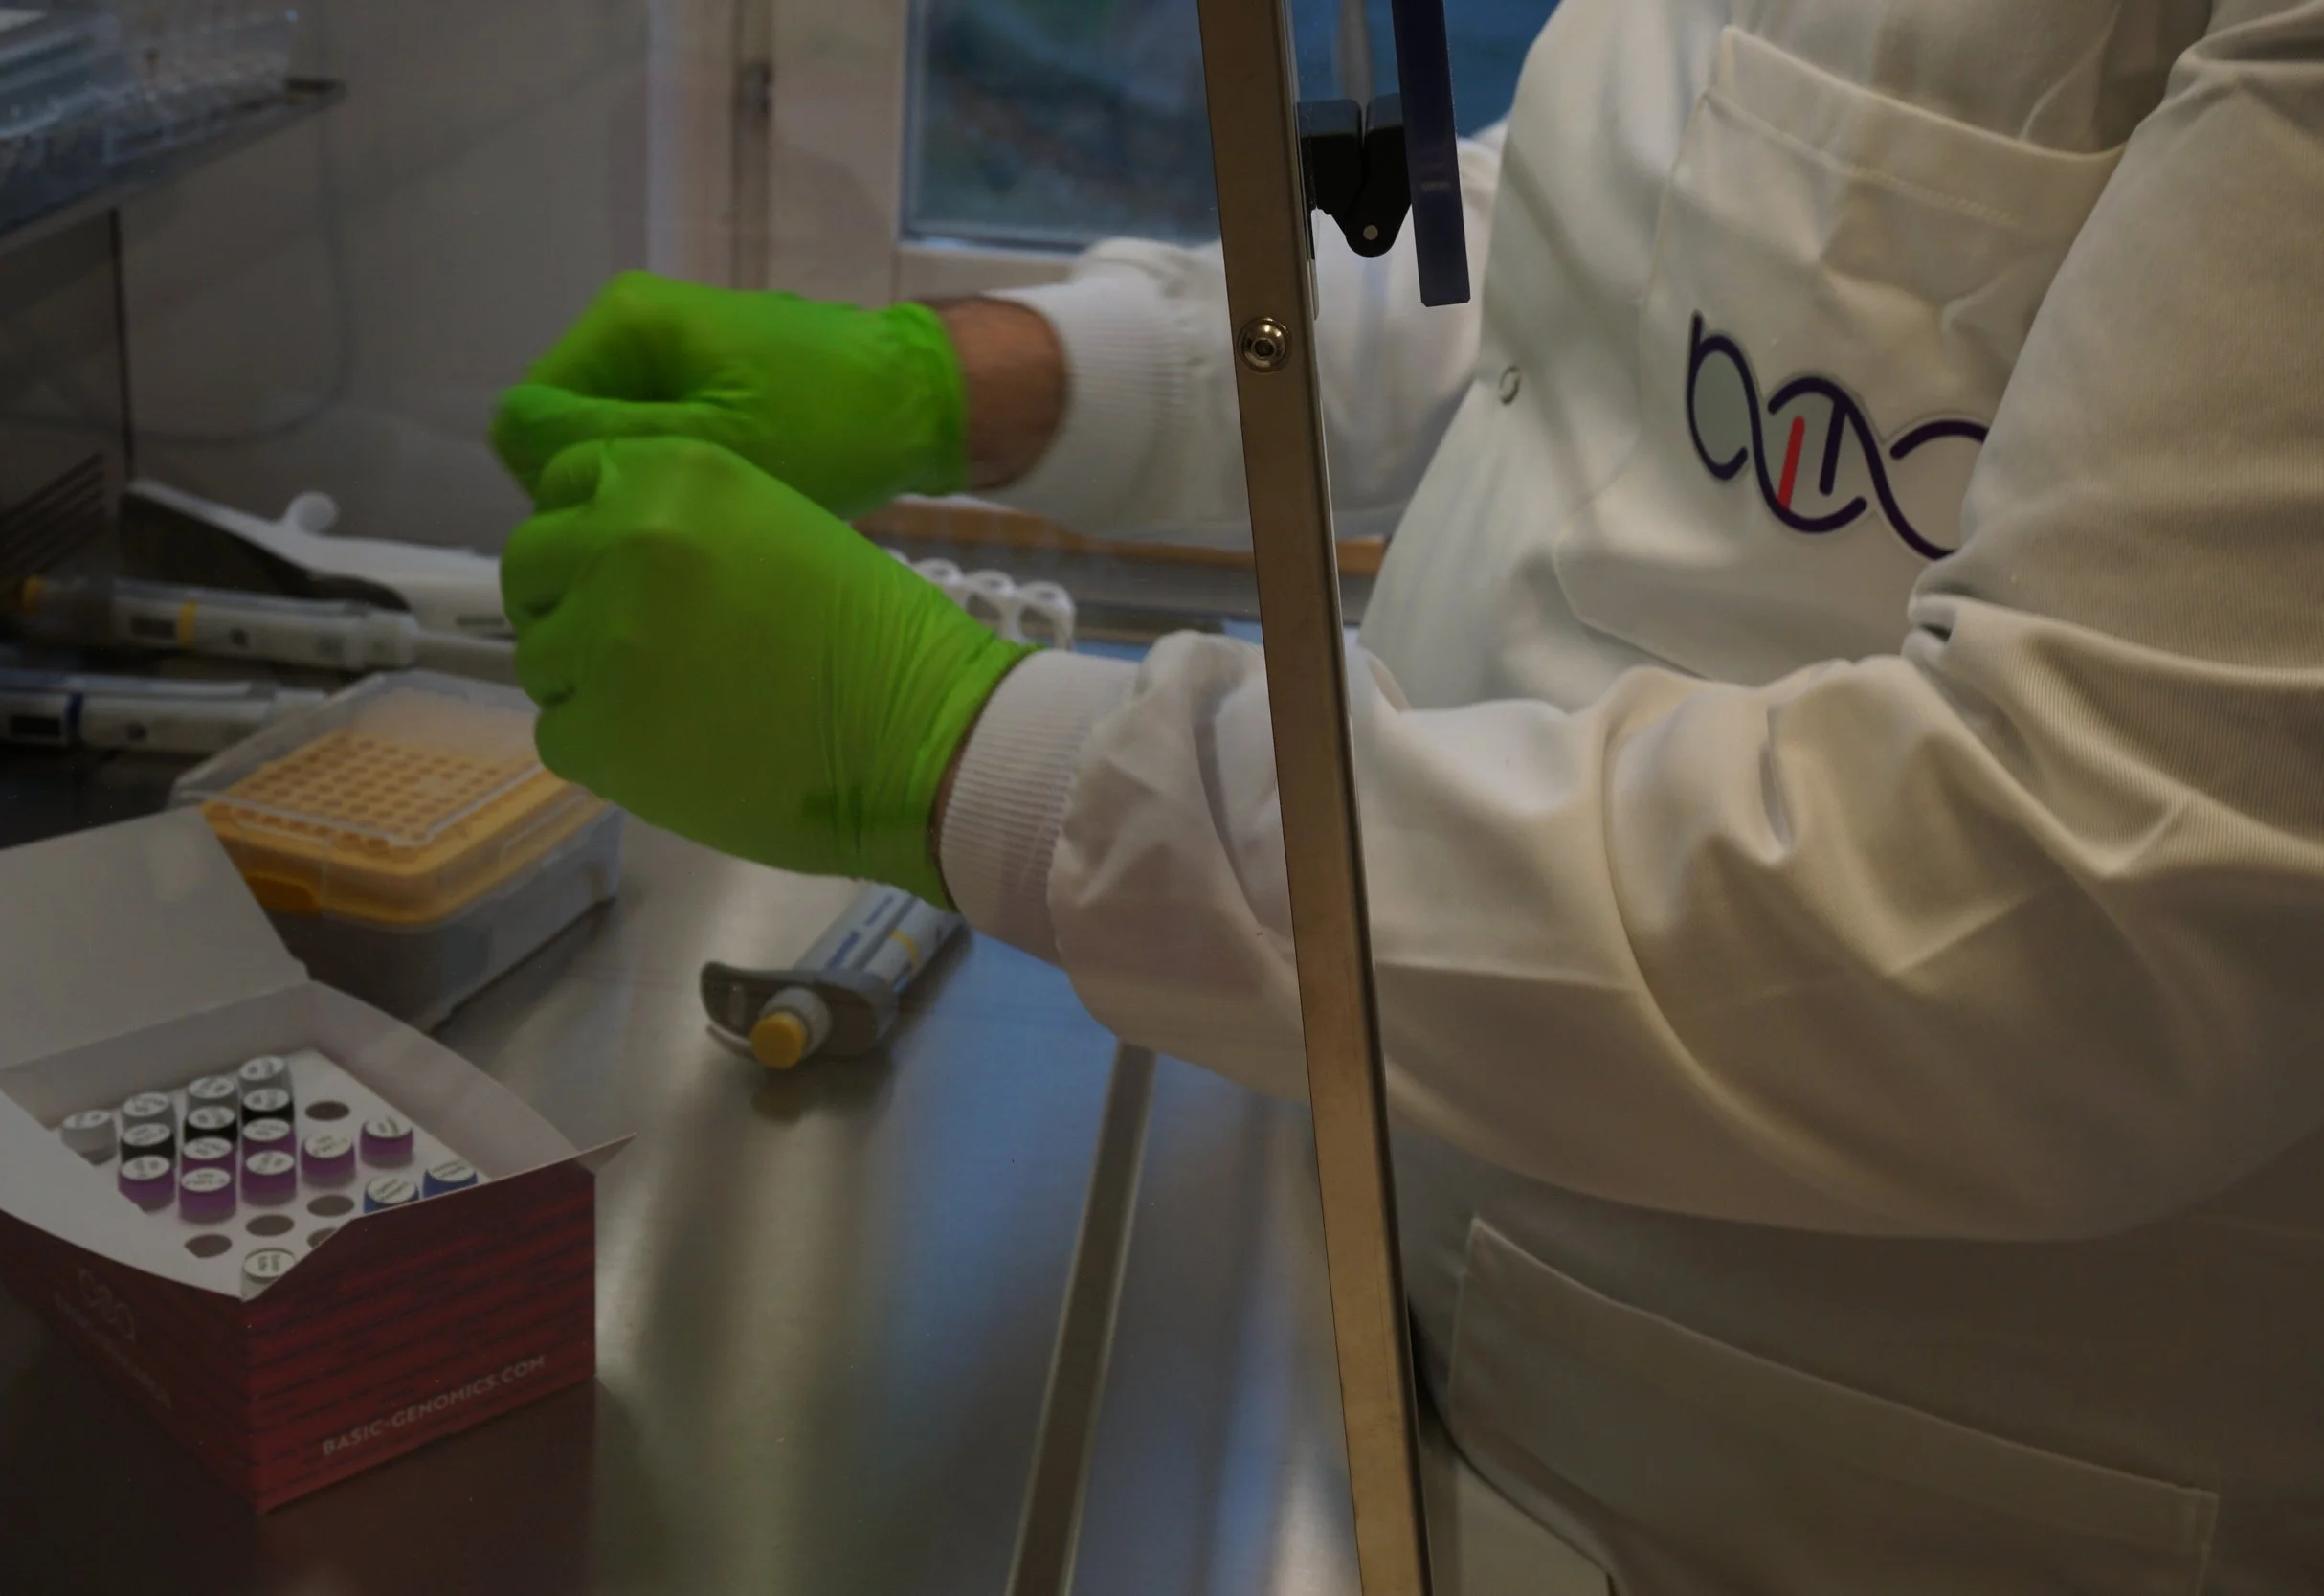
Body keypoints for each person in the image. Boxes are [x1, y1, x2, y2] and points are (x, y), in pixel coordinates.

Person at [487, 4, 2324, 1591]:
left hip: (1859, 1480)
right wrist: (998, 379)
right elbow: (1558, 241)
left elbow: (2090, 903)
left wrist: (978, 754)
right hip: (1462, 1283)